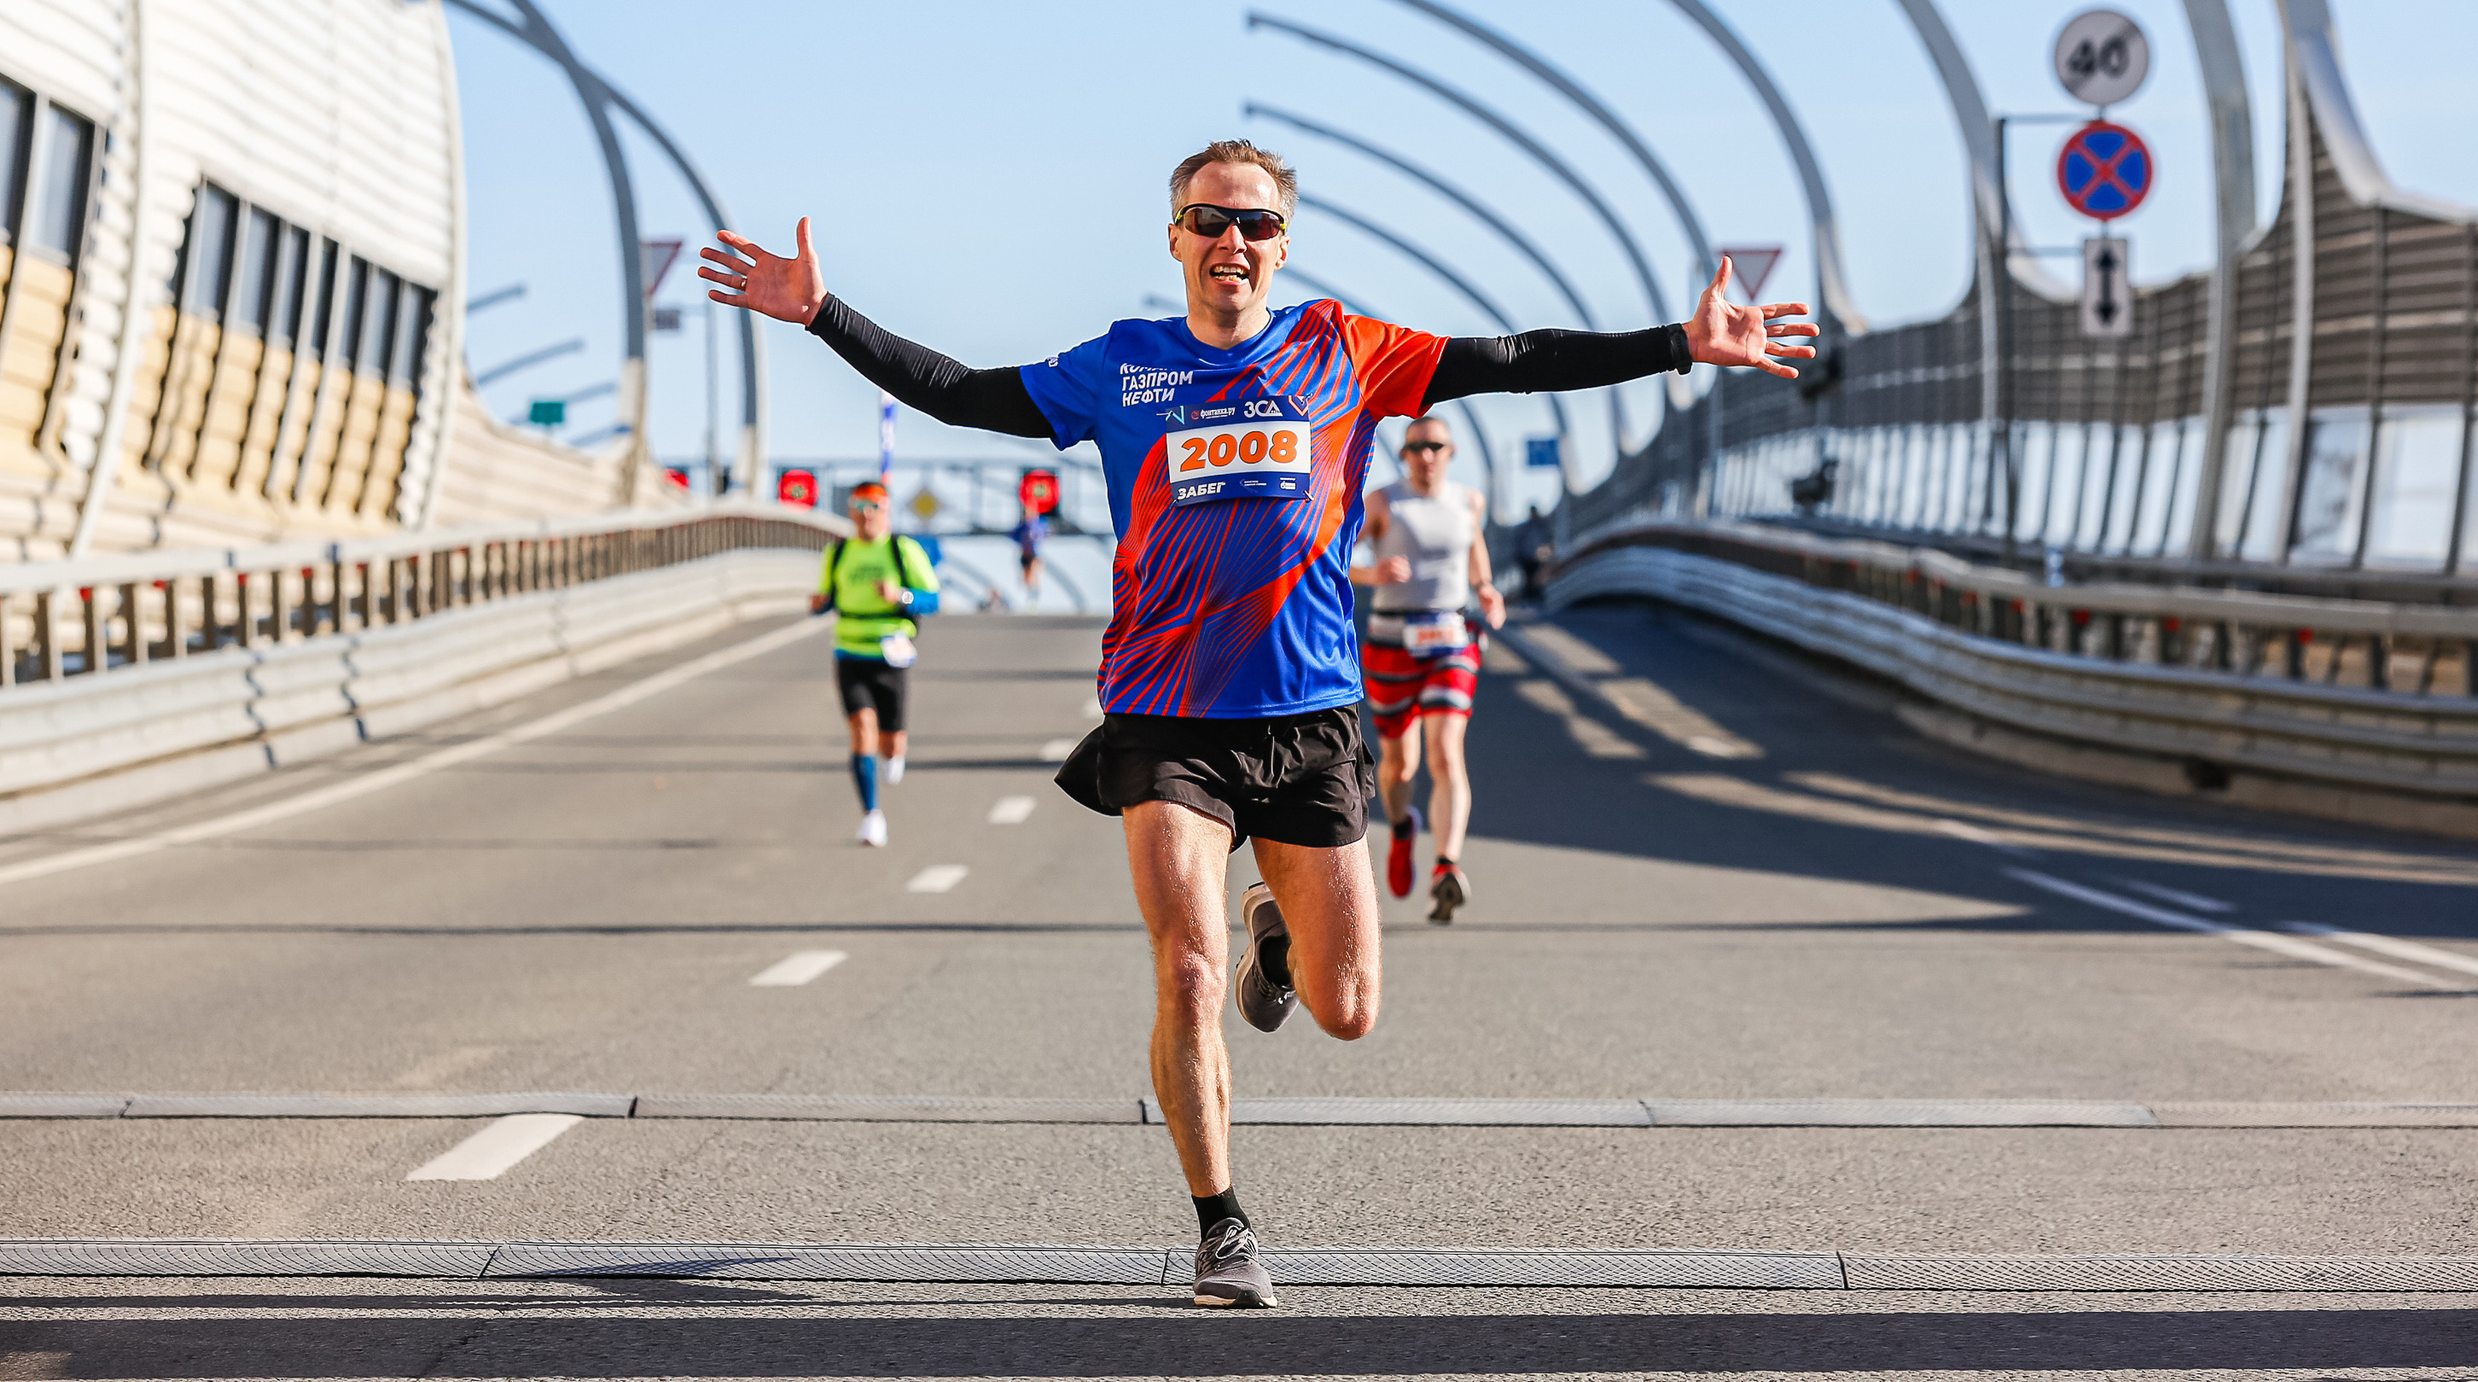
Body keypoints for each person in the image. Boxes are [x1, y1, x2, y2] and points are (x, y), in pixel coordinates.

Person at [703, 139, 1814, 1309]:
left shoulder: (1343, 347)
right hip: (1164, 716)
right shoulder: (1117, 368)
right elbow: (960, 393)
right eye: (1207, 221)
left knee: (1348, 1010)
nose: (1232, 243)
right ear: (1174, 238)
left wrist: (1681, 346)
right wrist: (823, 311)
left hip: (1312, 716)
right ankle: (1220, 1227)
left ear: (1284, 243)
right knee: (1183, 971)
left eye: (1255, 226)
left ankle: (1275, 930)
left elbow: (1514, 360)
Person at [1350, 416, 1503, 922]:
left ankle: (1446, 865)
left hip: (1451, 640)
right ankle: (1400, 829)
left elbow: (1474, 550)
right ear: (1405, 454)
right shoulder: (1384, 503)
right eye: (1415, 447)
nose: (1425, 455)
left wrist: (1486, 589)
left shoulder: (1467, 502)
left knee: (1444, 752)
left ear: (1451, 451)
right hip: (1392, 642)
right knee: (1400, 766)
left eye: (1434, 446)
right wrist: (1373, 573)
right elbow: (1332, 555)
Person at [810, 480, 940, 847]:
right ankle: (872, 815)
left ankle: (894, 752)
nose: (867, 513)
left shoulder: (902, 550)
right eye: (859, 505)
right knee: (861, 730)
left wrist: (899, 594)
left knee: (891, 742)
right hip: (850, 651)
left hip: (891, 653)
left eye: (875, 506)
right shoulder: (838, 553)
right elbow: (827, 598)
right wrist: (817, 603)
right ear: (850, 511)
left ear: (887, 511)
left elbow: (932, 599)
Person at [1012, 505, 1049, 604]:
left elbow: (1044, 535)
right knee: (1026, 579)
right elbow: (1014, 536)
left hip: (1034, 555)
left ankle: (1033, 598)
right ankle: (1031, 596)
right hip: (1025, 555)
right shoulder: (1022, 526)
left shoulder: (1039, 525)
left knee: (1034, 576)